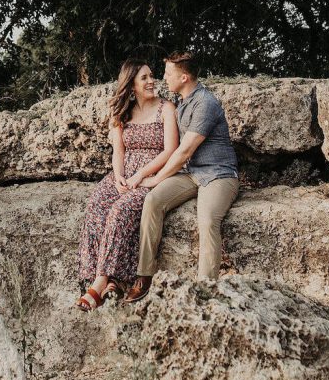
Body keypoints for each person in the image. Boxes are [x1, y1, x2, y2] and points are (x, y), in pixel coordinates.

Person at [123, 50, 239, 303]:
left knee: (207, 219)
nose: (163, 79)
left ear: (184, 77)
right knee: (152, 201)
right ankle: (144, 275)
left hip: (219, 174)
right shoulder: (181, 102)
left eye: (168, 74)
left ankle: (205, 290)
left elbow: (184, 149)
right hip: (192, 173)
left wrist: (156, 177)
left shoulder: (205, 103)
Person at [75, 58, 179, 311]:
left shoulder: (166, 108)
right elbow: (118, 150)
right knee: (97, 206)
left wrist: (139, 177)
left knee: (120, 212)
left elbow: (170, 150)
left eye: (151, 75)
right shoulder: (122, 111)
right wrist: (119, 175)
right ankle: (109, 280)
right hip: (124, 173)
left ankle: (99, 283)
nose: (151, 81)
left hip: (150, 175)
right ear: (131, 84)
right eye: (144, 77)